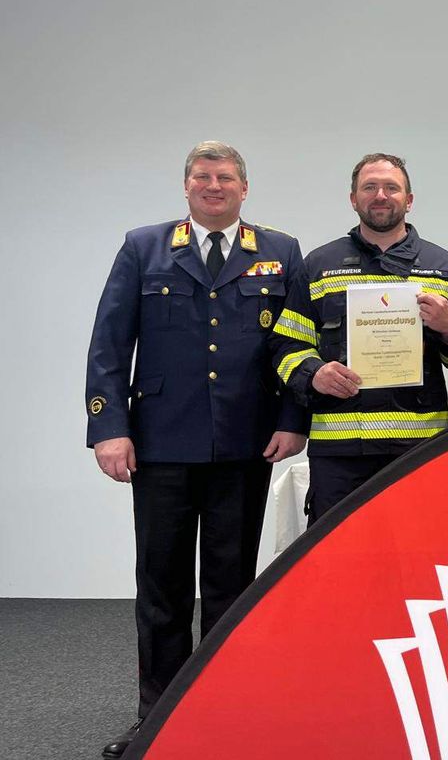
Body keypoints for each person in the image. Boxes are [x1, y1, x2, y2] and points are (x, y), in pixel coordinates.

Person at [86, 141, 308, 758]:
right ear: (186, 187)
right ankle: (156, 716)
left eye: (227, 178)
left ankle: (223, 708)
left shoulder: (280, 251)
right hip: (160, 441)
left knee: (230, 583)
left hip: (245, 441)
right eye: (203, 177)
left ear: (244, 189)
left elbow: (294, 343)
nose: (215, 186)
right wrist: (108, 426)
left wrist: (293, 419)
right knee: (162, 586)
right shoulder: (144, 246)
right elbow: (109, 342)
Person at [269, 153, 448, 525]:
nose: (380, 195)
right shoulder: (318, 265)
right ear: (353, 199)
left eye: (391, 187)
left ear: (409, 200)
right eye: (370, 187)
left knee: (415, 559)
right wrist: (313, 373)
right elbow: (286, 346)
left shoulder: (442, 265)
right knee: (338, 566)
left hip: (418, 448)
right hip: (339, 453)